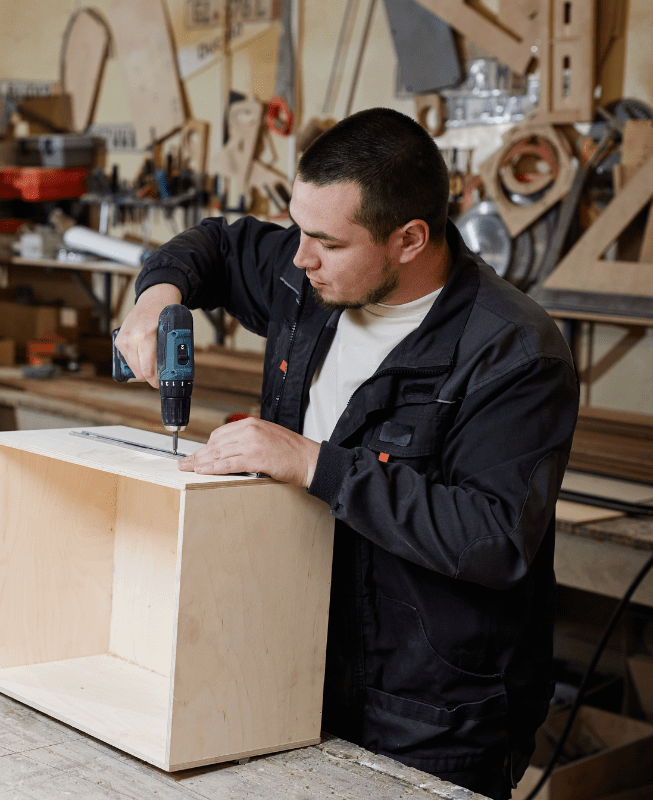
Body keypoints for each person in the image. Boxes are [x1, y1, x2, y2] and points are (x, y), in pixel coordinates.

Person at [115, 107, 578, 799]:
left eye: (326, 241)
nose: (299, 257)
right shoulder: (307, 280)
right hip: (294, 657)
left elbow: (493, 537)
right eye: (297, 227)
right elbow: (215, 244)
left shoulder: (511, 352)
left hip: (430, 716)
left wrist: (312, 463)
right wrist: (155, 298)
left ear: (409, 239)